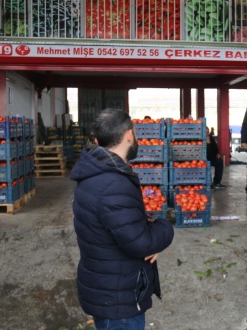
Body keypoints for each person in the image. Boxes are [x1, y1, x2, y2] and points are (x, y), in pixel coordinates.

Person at [71, 108, 175, 330]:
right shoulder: (113, 182)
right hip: (118, 298)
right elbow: (140, 243)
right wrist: (163, 228)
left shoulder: (94, 173)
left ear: (97, 140)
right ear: (130, 134)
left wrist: (142, 223)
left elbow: (112, 221)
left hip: (106, 285)